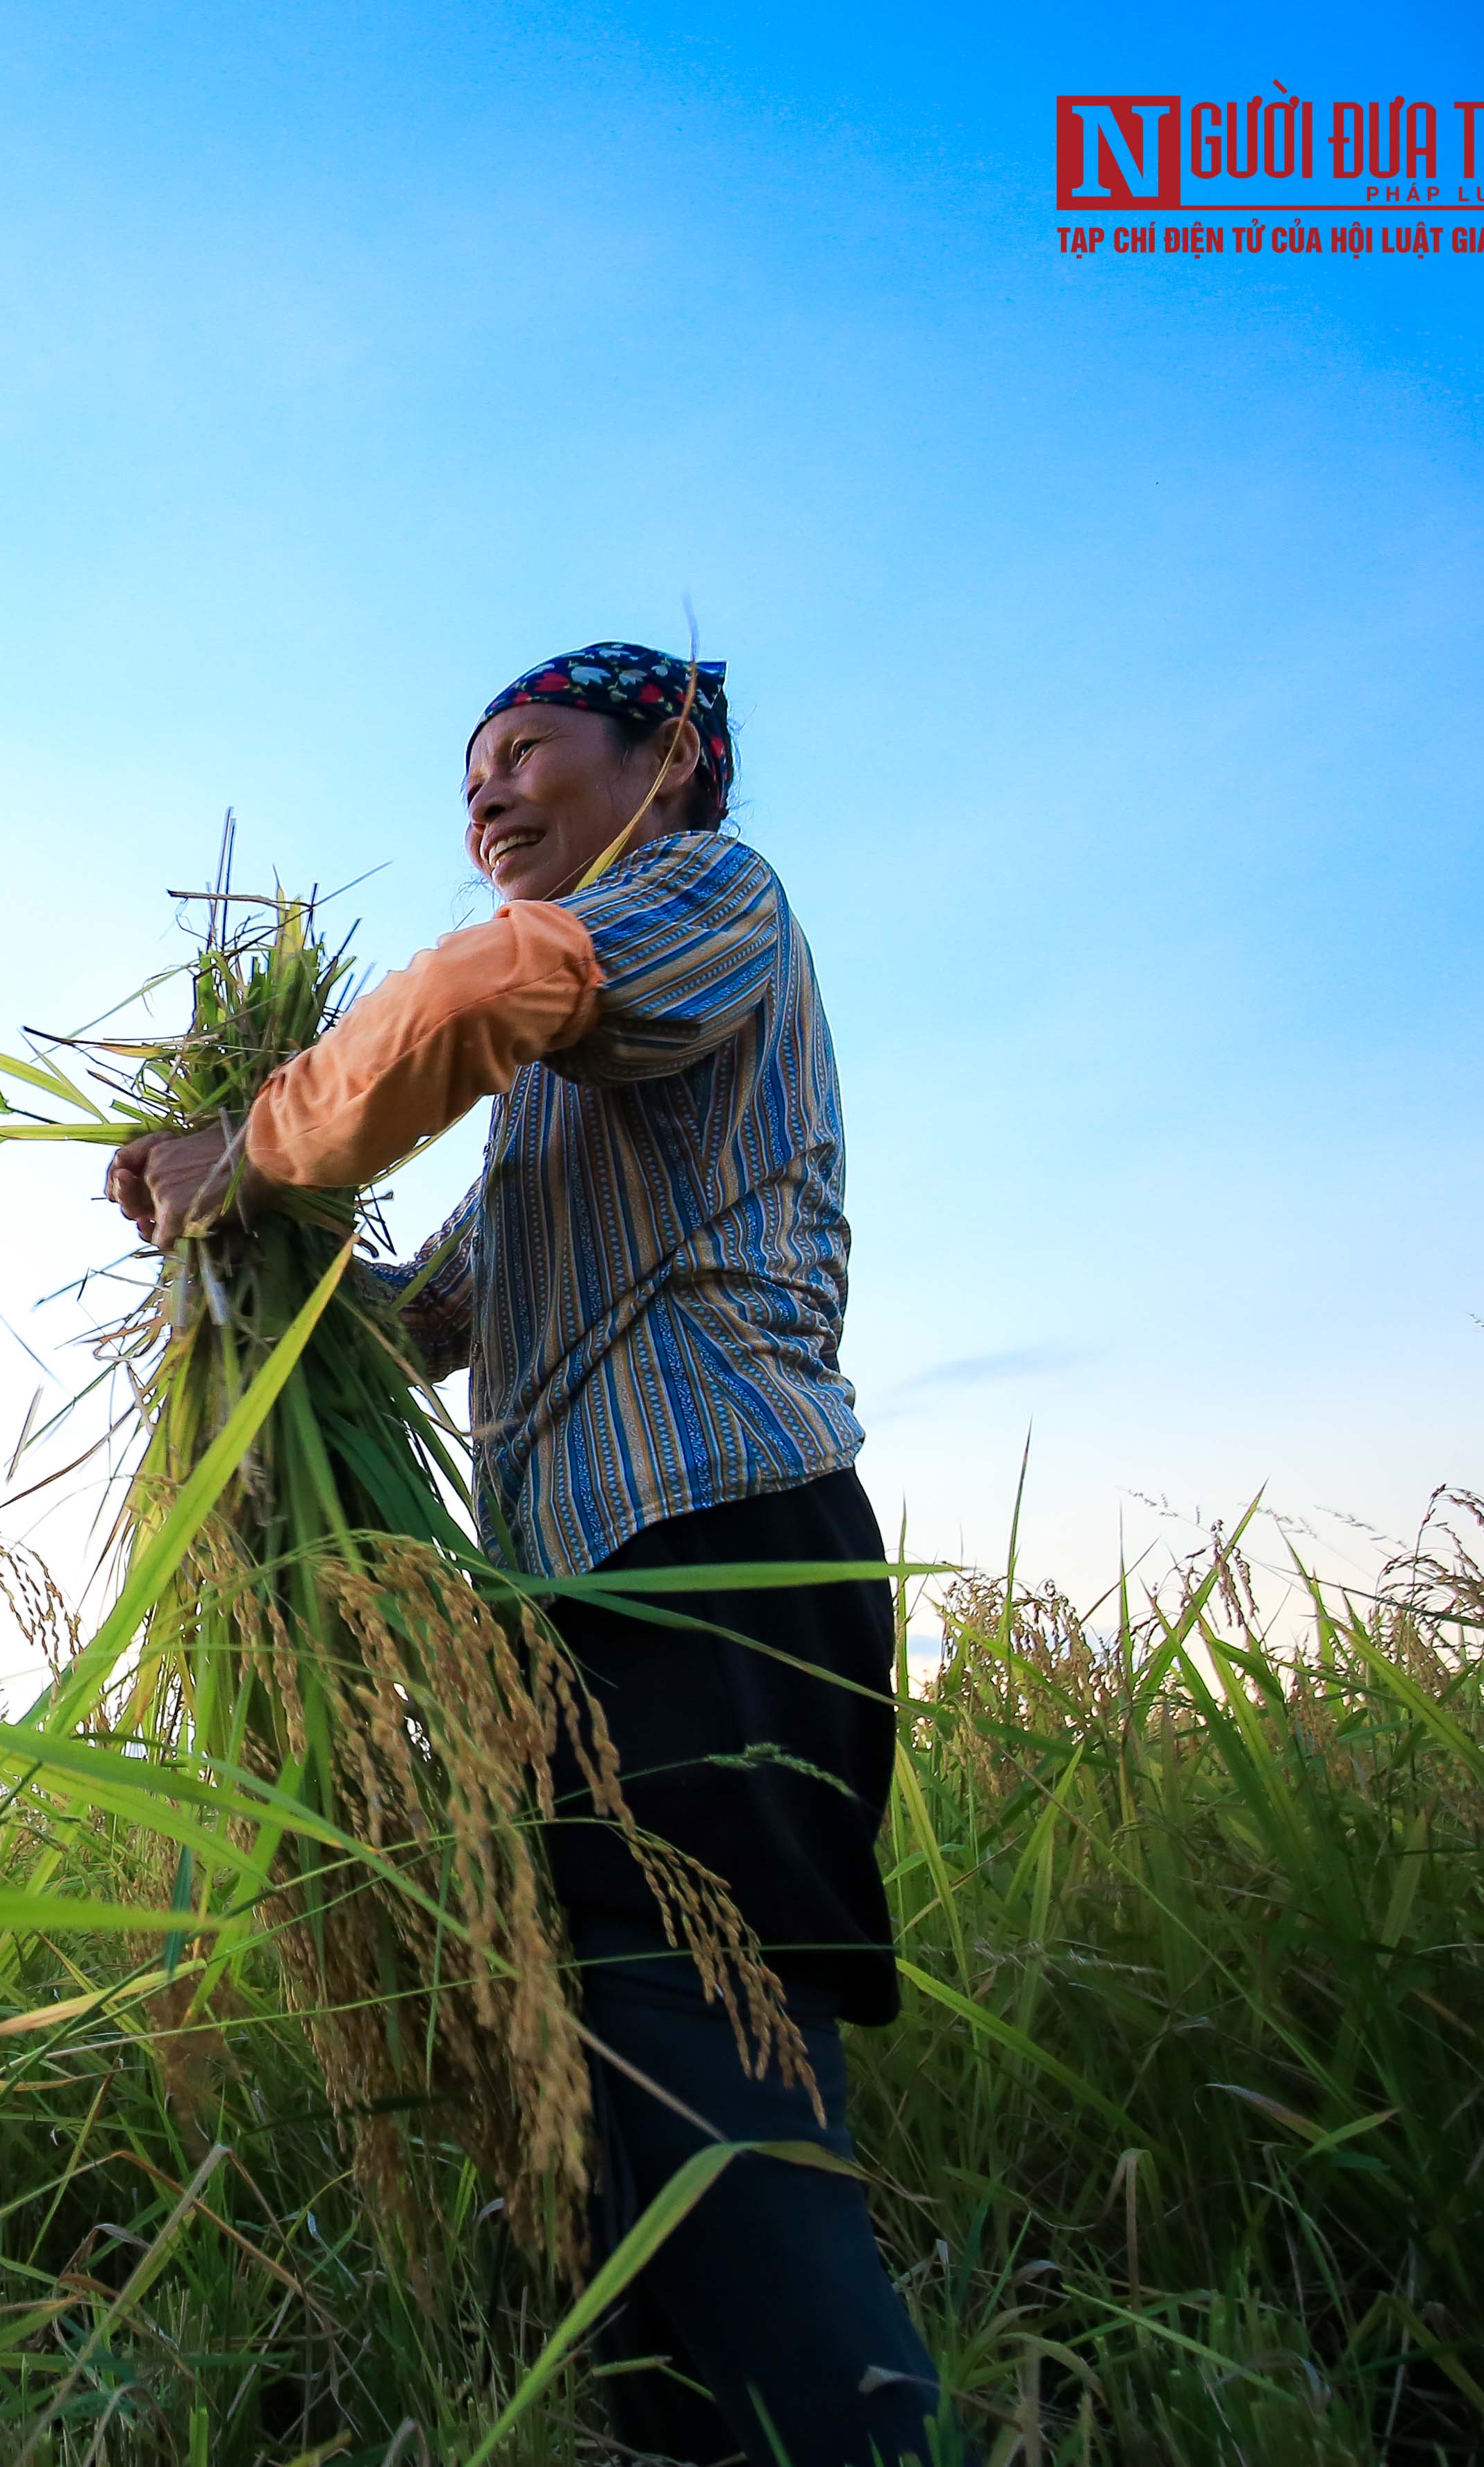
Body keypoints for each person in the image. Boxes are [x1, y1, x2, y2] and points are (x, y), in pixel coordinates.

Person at [106, 645, 942, 2465]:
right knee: (599, 2076)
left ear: (668, 760)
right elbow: (428, 1318)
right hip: (579, 1602)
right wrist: (251, 1271)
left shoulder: (699, 894)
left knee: (694, 2016)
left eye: (524, 754)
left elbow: (500, 980)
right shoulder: (559, 1108)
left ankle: (848, 2429)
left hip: (720, 1553)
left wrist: (253, 1141)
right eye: (467, 775)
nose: (484, 797)